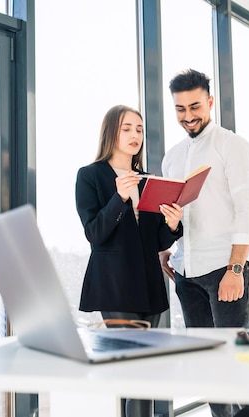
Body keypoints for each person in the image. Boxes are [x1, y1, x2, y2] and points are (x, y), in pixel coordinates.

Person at [160, 69, 249, 417]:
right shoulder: (171, 157)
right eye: (180, 109)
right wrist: (166, 249)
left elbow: (247, 212)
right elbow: (175, 214)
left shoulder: (233, 146)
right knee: (208, 365)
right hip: (187, 273)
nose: (188, 116)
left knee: (234, 363)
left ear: (210, 102)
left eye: (195, 106)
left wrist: (236, 270)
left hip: (225, 270)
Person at [75, 104, 183, 417]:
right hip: (115, 285)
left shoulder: (149, 180)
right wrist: (119, 198)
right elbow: (95, 233)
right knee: (131, 372)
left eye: (139, 129)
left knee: (145, 372)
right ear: (111, 132)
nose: (135, 135)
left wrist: (173, 226)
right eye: (127, 128)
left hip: (149, 284)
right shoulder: (90, 176)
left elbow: (156, 241)